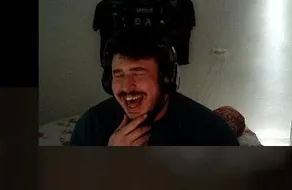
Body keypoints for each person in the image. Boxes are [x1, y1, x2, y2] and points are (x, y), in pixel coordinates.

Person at [70, 28, 238, 147]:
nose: (126, 87)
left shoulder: (212, 133)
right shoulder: (91, 126)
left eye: (138, 73)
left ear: (166, 78)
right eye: (118, 75)